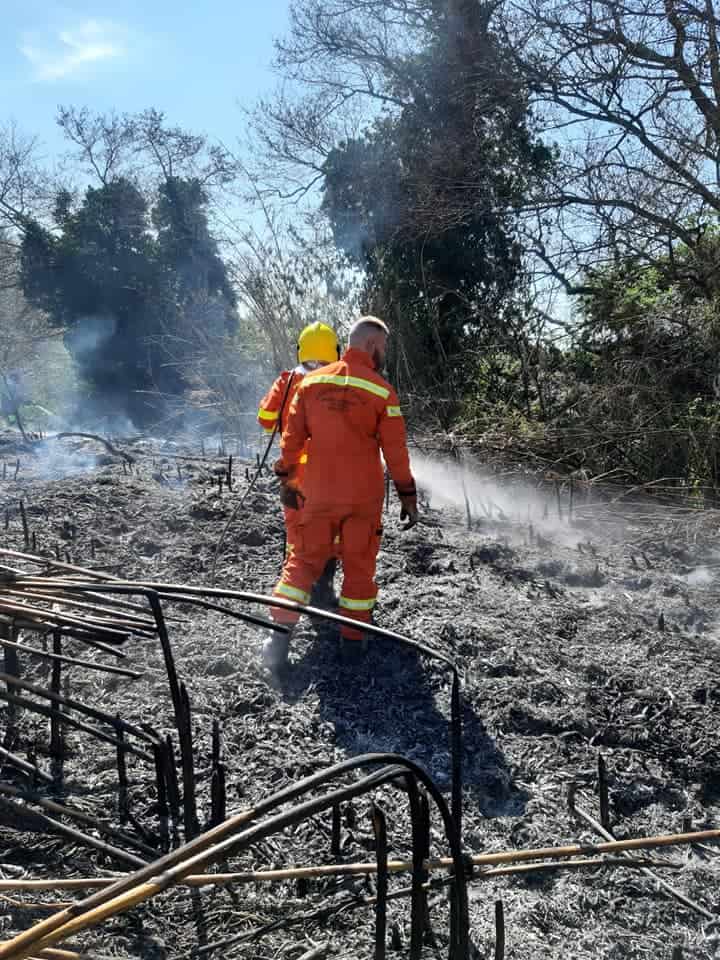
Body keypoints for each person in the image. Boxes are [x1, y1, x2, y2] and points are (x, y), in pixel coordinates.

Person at [263, 315, 418, 668]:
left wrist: (287, 481)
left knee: (302, 562)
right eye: (384, 348)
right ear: (371, 345)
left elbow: (291, 442)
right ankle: (352, 645)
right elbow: (396, 453)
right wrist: (408, 495)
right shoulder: (382, 392)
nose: (384, 355)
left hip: (316, 496)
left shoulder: (311, 384)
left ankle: (277, 641)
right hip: (362, 501)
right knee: (359, 568)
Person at [257, 321, 340, 602]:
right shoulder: (343, 380)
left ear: (300, 350)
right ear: (336, 351)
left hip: (292, 475)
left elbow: (266, 420)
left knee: (296, 528)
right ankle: (325, 583)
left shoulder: (287, 380)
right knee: (330, 527)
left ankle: (295, 587)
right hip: (330, 474)